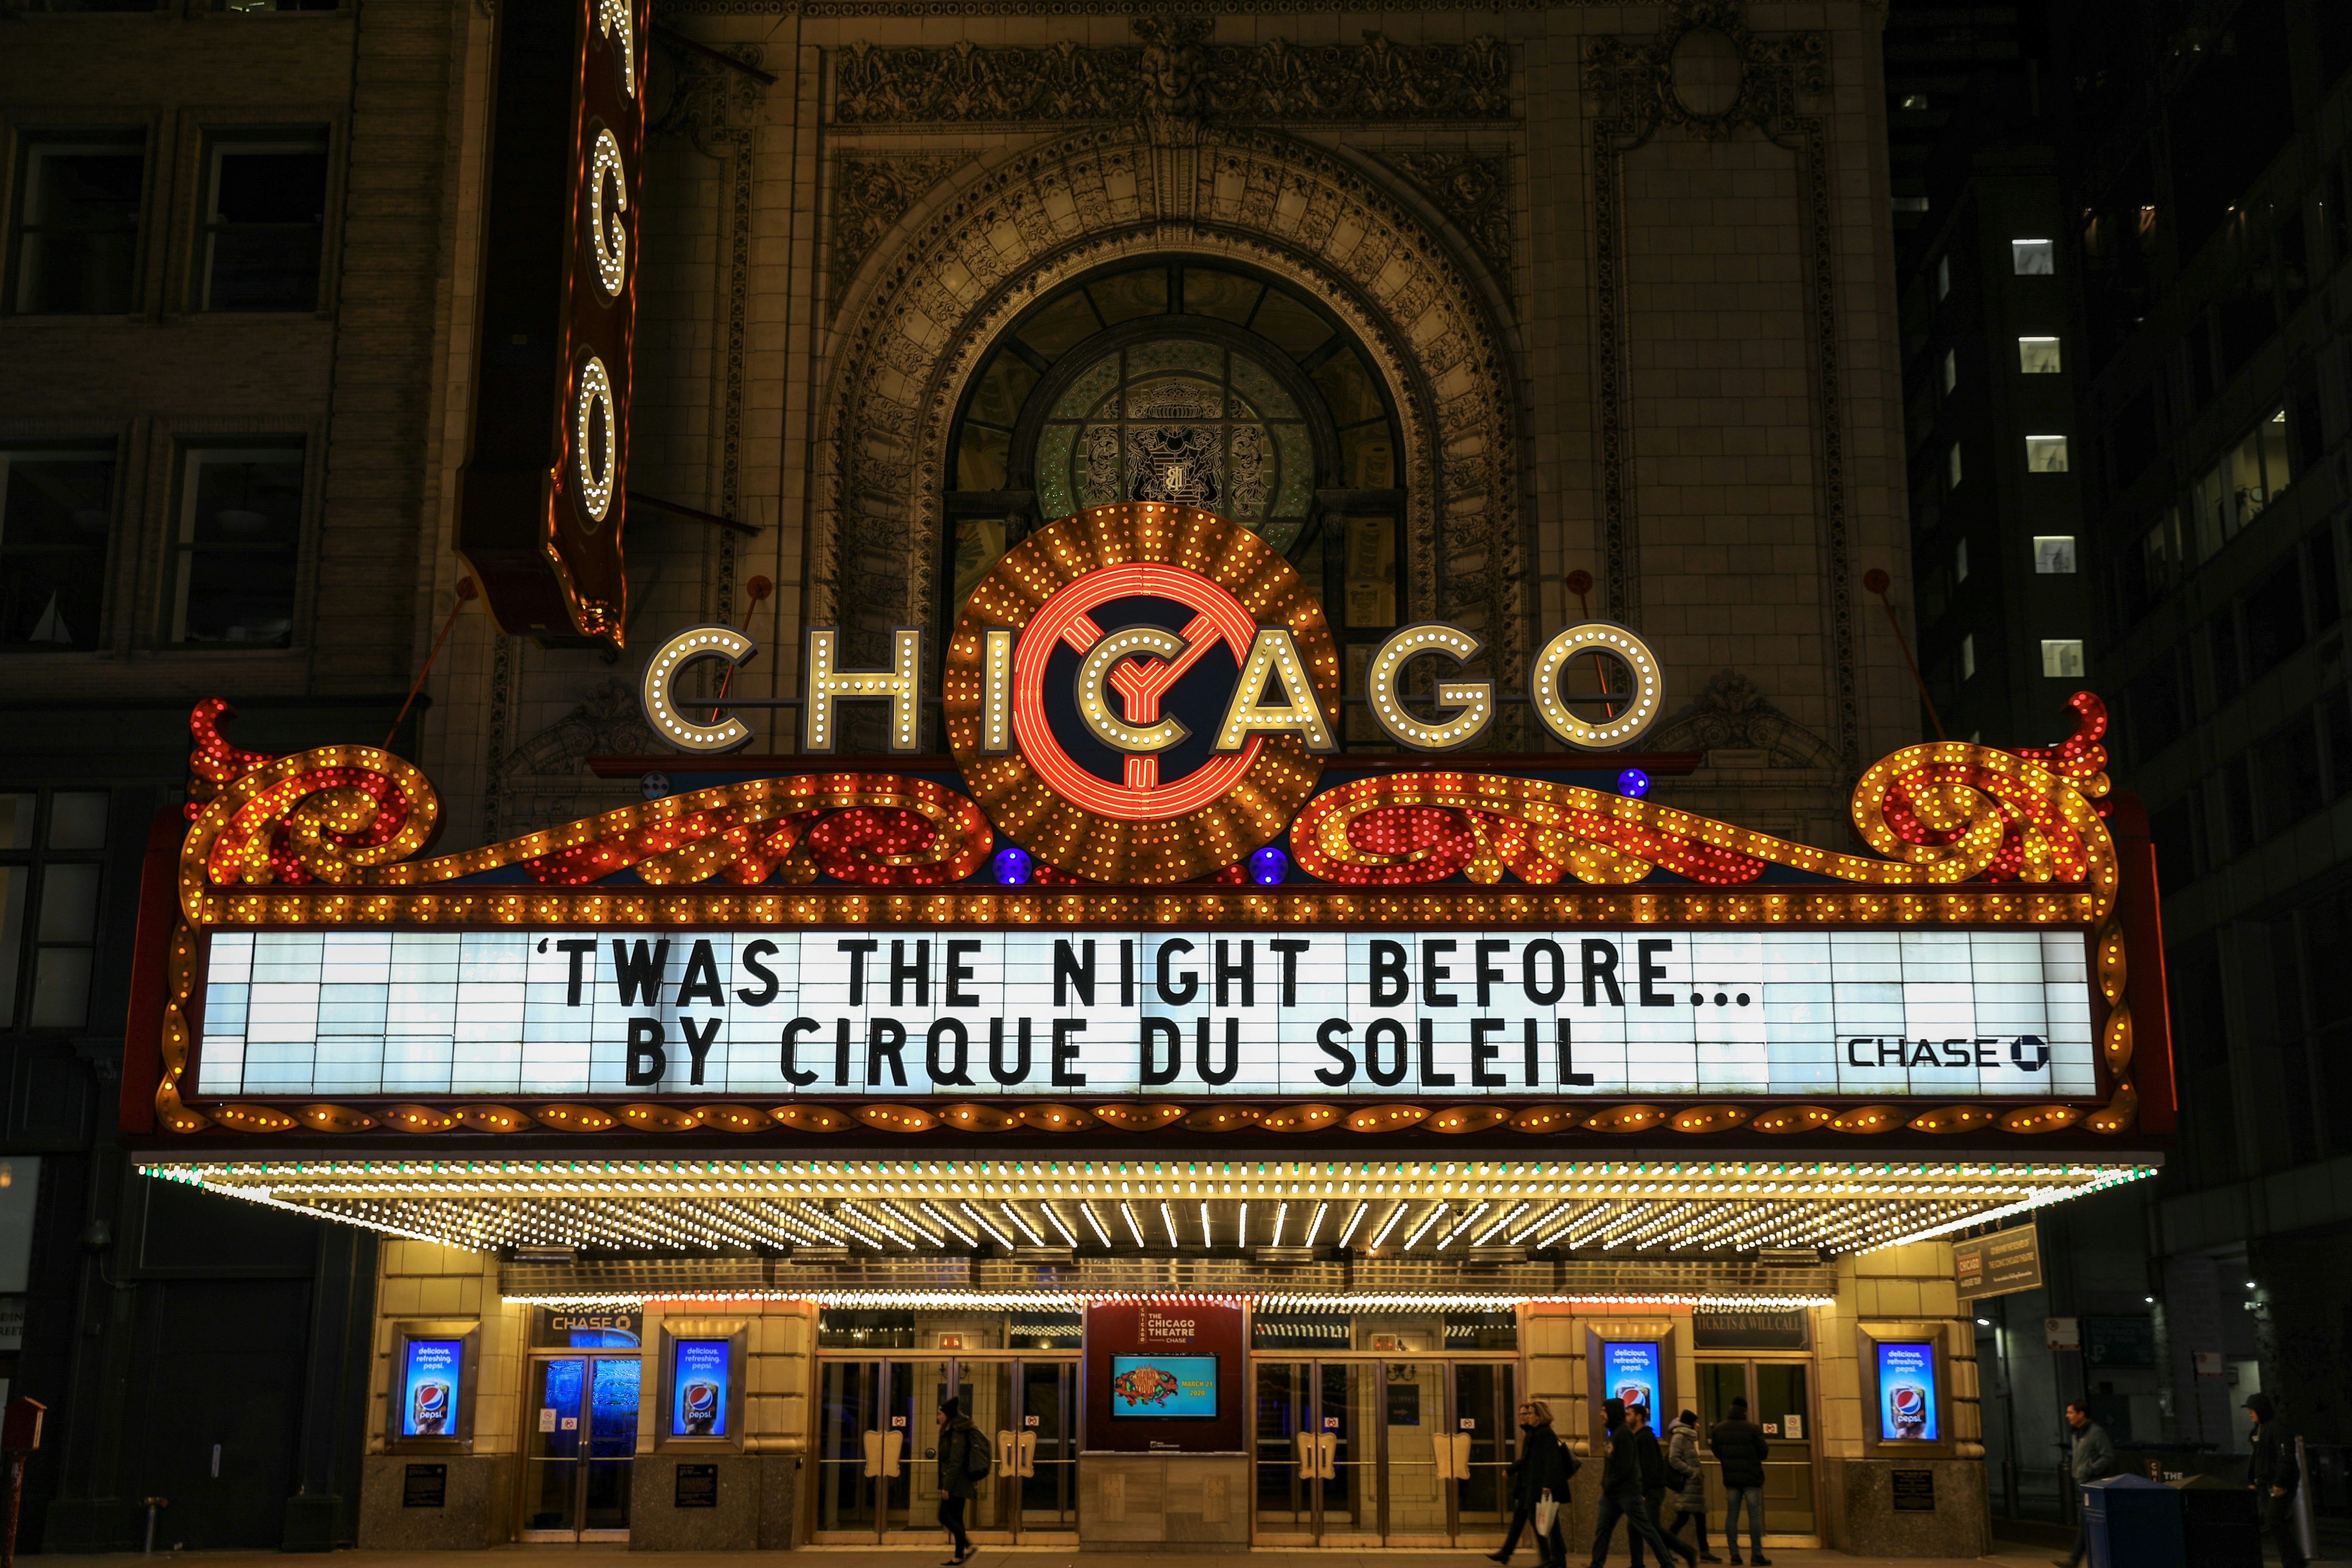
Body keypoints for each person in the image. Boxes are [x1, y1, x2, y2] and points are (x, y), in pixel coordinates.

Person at [1587, 1397, 1696, 1568]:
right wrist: (1606, 1484)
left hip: (1628, 1492)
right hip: (1615, 1493)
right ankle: (1604, 1564)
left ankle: (1668, 1562)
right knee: (1608, 1530)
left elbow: (1630, 1466)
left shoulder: (1628, 1435)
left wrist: (1641, 1492)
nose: (1601, 1414)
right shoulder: (1617, 1434)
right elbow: (1612, 1465)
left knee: (1647, 1528)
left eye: (1604, 1411)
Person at [1490, 1399, 1575, 1566]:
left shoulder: (1544, 1434)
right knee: (1535, 1521)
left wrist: (1548, 1485)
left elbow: (1551, 1461)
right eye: (1523, 1414)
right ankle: (1548, 1558)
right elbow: (1529, 1460)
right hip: (1530, 1485)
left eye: (1529, 1414)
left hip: (1539, 1486)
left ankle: (1551, 1559)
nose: (1525, 1417)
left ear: (1539, 1416)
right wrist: (1512, 1469)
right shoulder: (1535, 1434)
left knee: (1544, 1523)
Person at [2053, 1399, 2117, 1568]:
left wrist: (2089, 1470)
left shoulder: (2096, 1433)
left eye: (2071, 1412)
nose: (2068, 1416)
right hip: (2084, 1483)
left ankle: (2075, 1560)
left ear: (2081, 1414)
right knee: (2087, 1522)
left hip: (2094, 1484)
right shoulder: (2077, 1433)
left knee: (2085, 1521)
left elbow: (2108, 1457)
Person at [2245, 1392, 2306, 1568]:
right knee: (2274, 1522)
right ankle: (2293, 1561)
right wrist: (2253, 1479)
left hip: (2278, 1483)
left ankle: (2294, 1562)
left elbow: (2286, 1457)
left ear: (2261, 1410)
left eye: (2252, 1410)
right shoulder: (2259, 1429)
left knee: (2275, 1520)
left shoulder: (2277, 1428)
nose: (2250, 1413)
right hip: (2266, 1482)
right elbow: (2256, 1456)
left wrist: (2280, 1483)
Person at [1709, 1396, 1771, 1566]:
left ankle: (1735, 1554)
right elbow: (1764, 1452)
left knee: (1732, 1516)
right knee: (1754, 1516)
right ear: (1745, 1411)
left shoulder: (1719, 1429)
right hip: (1751, 1477)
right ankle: (1757, 1555)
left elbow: (1717, 1451)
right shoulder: (1753, 1429)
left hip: (1731, 1478)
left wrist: (1729, 1461)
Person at [1664, 1409, 1719, 1562]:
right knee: (1684, 1519)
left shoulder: (1687, 1437)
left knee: (1698, 1519)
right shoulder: (1680, 1437)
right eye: (1696, 1422)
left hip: (1693, 1487)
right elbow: (1673, 1460)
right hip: (1687, 1486)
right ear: (1690, 1424)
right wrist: (1692, 1472)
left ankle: (1704, 1551)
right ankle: (1665, 1547)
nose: (1699, 1426)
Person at [936, 1394, 983, 1566]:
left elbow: (956, 1461)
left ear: (947, 1415)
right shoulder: (954, 1430)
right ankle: (959, 1556)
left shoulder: (957, 1432)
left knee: (944, 1516)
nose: (938, 1417)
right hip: (957, 1482)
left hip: (957, 1483)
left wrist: (947, 1487)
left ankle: (969, 1546)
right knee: (956, 1518)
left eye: (940, 1414)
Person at [1626, 1406, 1673, 1568]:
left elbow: (1649, 1468)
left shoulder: (1645, 1438)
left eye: (1629, 1414)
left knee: (1651, 1528)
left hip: (1651, 1491)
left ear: (1639, 1417)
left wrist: (1643, 1492)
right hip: (1649, 1490)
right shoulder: (1639, 1437)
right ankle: (1637, 1563)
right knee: (1636, 1526)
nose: (1626, 1417)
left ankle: (1684, 1551)